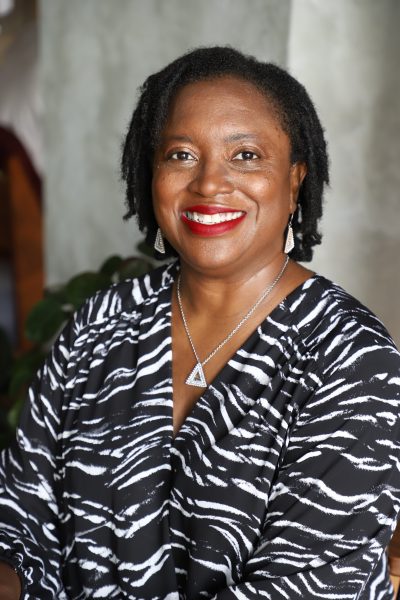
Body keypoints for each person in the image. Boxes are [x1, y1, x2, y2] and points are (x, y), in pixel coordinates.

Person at [1, 46, 400, 600]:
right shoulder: (100, 324)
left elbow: (304, 588)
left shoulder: (350, 357)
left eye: (246, 156)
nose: (209, 184)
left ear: (294, 181)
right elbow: (19, 524)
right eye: (182, 155)